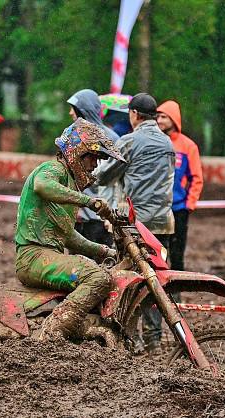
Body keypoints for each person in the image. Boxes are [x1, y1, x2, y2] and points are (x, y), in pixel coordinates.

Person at [15, 118, 123, 340]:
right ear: (78, 153)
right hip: (33, 256)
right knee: (98, 278)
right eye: (93, 157)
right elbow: (42, 185)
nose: (95, 165)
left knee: (97, 271)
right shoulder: (53, 168)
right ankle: (53, 332)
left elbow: (69, 236)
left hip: (45, 256)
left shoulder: (68, 183)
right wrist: (89, 202)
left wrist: (106, 251)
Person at [95, 93, 175, 353]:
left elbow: (105, 176)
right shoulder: (167, 143)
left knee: (128, 277)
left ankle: (128, 336)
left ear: (134, 114)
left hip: (135, 225)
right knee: (157, 277)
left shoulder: (129, 142)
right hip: (163, 223)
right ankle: (154, 337)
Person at [67, 89, 120, 247]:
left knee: (104, 264)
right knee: (78, 265)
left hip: (103, 216)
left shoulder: (112, 139)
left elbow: (117, 177)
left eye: (73, 108)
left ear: (83, 110)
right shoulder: (71, 135)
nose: (70, 113)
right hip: (79, 215)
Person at [156, 100, 204, 272]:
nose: (159, 120)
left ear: (174, 119)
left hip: (178, 208)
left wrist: (189, 205)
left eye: (163, 117)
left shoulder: (188, 146)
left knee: (177, 254)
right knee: (158, 253)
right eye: (157, 117)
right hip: (157, 208)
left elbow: (196, 177)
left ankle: (176, 294)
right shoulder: (155, 142)